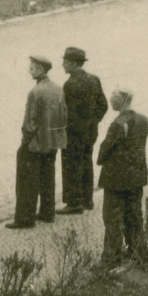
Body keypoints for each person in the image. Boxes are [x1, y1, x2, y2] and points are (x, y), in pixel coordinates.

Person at [9, 54, 67, 228]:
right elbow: (63, 115)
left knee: (27, 181)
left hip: (35, 143)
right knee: (48, 177)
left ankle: (25, 218)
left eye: (32, 67)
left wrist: (25, 141)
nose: (29, 70)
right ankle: (47, 212)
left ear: (40, 70)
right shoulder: (58, 88)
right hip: (52, 142)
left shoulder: (35, 92)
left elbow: (30, 122)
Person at [96, 88, 148, 270]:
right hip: (136, 176)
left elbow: (103, 152)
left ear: (122, 100)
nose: (111, 100)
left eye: (114, 97)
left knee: (112, 218)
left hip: (116, 179)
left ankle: (111, 259)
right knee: (134, 215)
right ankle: (138, 251)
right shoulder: (143, 120)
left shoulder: (118, 124)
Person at [58, 48, 106, 215]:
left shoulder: (70, 84)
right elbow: (103, 106)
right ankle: (88, 199)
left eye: (65, 61)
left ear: (73, 63)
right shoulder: (94, 79)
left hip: (73, 133)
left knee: (71, 165)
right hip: (91, 132)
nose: (62, 64)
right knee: (86, 162)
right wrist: (93, 122)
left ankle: (73, 202)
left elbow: (68, 113)